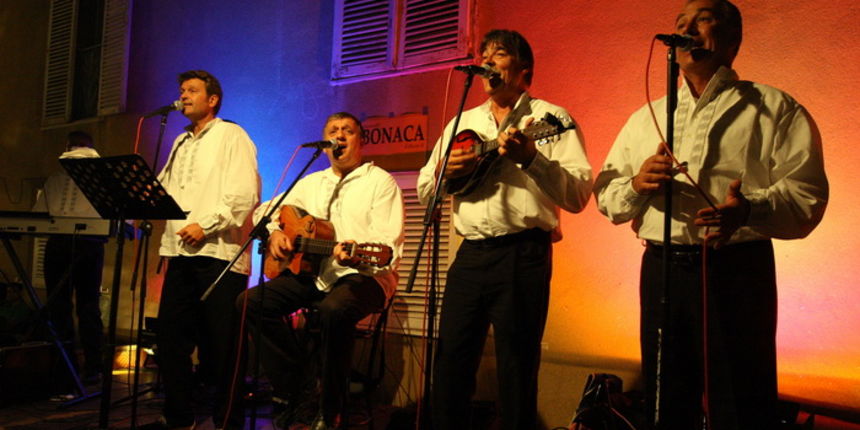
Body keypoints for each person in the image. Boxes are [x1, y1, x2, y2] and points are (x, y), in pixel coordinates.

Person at [593, 1, 828, 429]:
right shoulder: (647, 117)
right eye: (680, 23)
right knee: (666, 400)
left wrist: (750, 209)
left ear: (733, 40)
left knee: (740, 401)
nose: (687, 29)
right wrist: (636, 185)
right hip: (662, 268)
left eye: (702, 19)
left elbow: (807, 195)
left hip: (736, 270)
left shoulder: (772, 107)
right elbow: (606, 197)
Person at [417, 29, 593, 429]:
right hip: (470, 254)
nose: (487, 60)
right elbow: (426, 189)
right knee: (451, 362)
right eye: (484, 54)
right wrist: (447, 171)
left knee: (517, 366)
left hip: (523, 254)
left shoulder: (551, 119)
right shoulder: (462, 122)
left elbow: (579, 194)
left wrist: (532, 159)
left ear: (523, 69)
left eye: (498, 54)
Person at [237, 112, 404, 430]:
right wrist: (275, 232)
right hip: (316, 275)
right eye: (333, 131)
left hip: (367, 277)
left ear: (361, 140)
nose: (339, 135)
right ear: (325, 143)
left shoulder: (380, 182)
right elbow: (264, 212)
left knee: (333, 309)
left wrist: (355, 257)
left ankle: (330, 410)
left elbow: (388, 250)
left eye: (347, 130)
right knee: (251, 302)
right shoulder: (312, 182)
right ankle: (299, 390)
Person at [152, 70, 260, 430]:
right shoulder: (180, 141)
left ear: (212, 100)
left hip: (219, 255)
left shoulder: (232, 135)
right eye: (181, 90)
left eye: (192, 90)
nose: (183, 96)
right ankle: (180, 418)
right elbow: (165, 188)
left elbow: (244, 195)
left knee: (223, 346)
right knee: (170, 338)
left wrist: (207, 224)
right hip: (180, 254)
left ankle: (228, 421)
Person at [36, 131, 106, 392]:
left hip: (68, 244)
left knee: (67, 306)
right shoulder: (95, 177)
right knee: (83, 306)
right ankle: (87, 368)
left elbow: (39, 216)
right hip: (85, 243)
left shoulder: (57, 178)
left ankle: (72, 367)